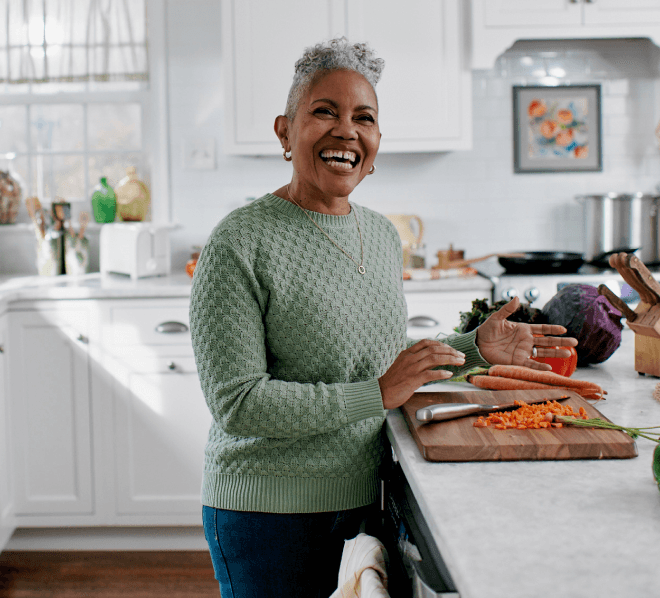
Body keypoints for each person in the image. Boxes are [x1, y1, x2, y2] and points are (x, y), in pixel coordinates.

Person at [189, 37, 576, 598]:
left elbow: (382, 368)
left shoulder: (380, 234)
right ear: (284, 131)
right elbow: (239, 403)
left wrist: (473, 350)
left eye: (363, 118)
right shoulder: (239, 241)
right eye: (325, 111)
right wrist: (376, 393)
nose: (347, 130)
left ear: (375, 143)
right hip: (266, 513)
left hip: (362, 500)